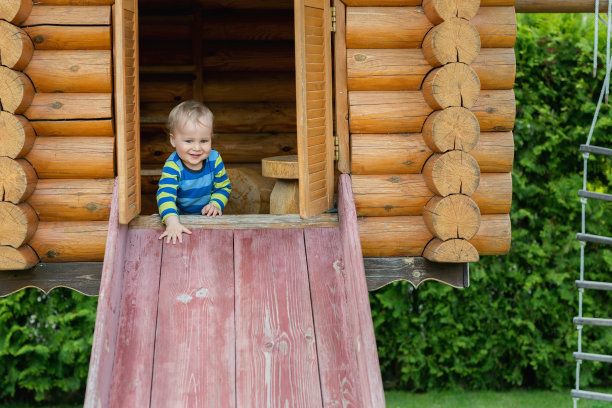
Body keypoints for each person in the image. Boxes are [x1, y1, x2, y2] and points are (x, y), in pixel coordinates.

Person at [156, 101, 231, 244]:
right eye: (189, 141)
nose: (197, 148)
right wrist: (172, 222)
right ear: (173, 140)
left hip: (208, 218)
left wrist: (215, 204)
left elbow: (223, 187)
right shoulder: (173, 166)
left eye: (204, 141)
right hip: (180, 219)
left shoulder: (214, 159)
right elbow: (165, 195)